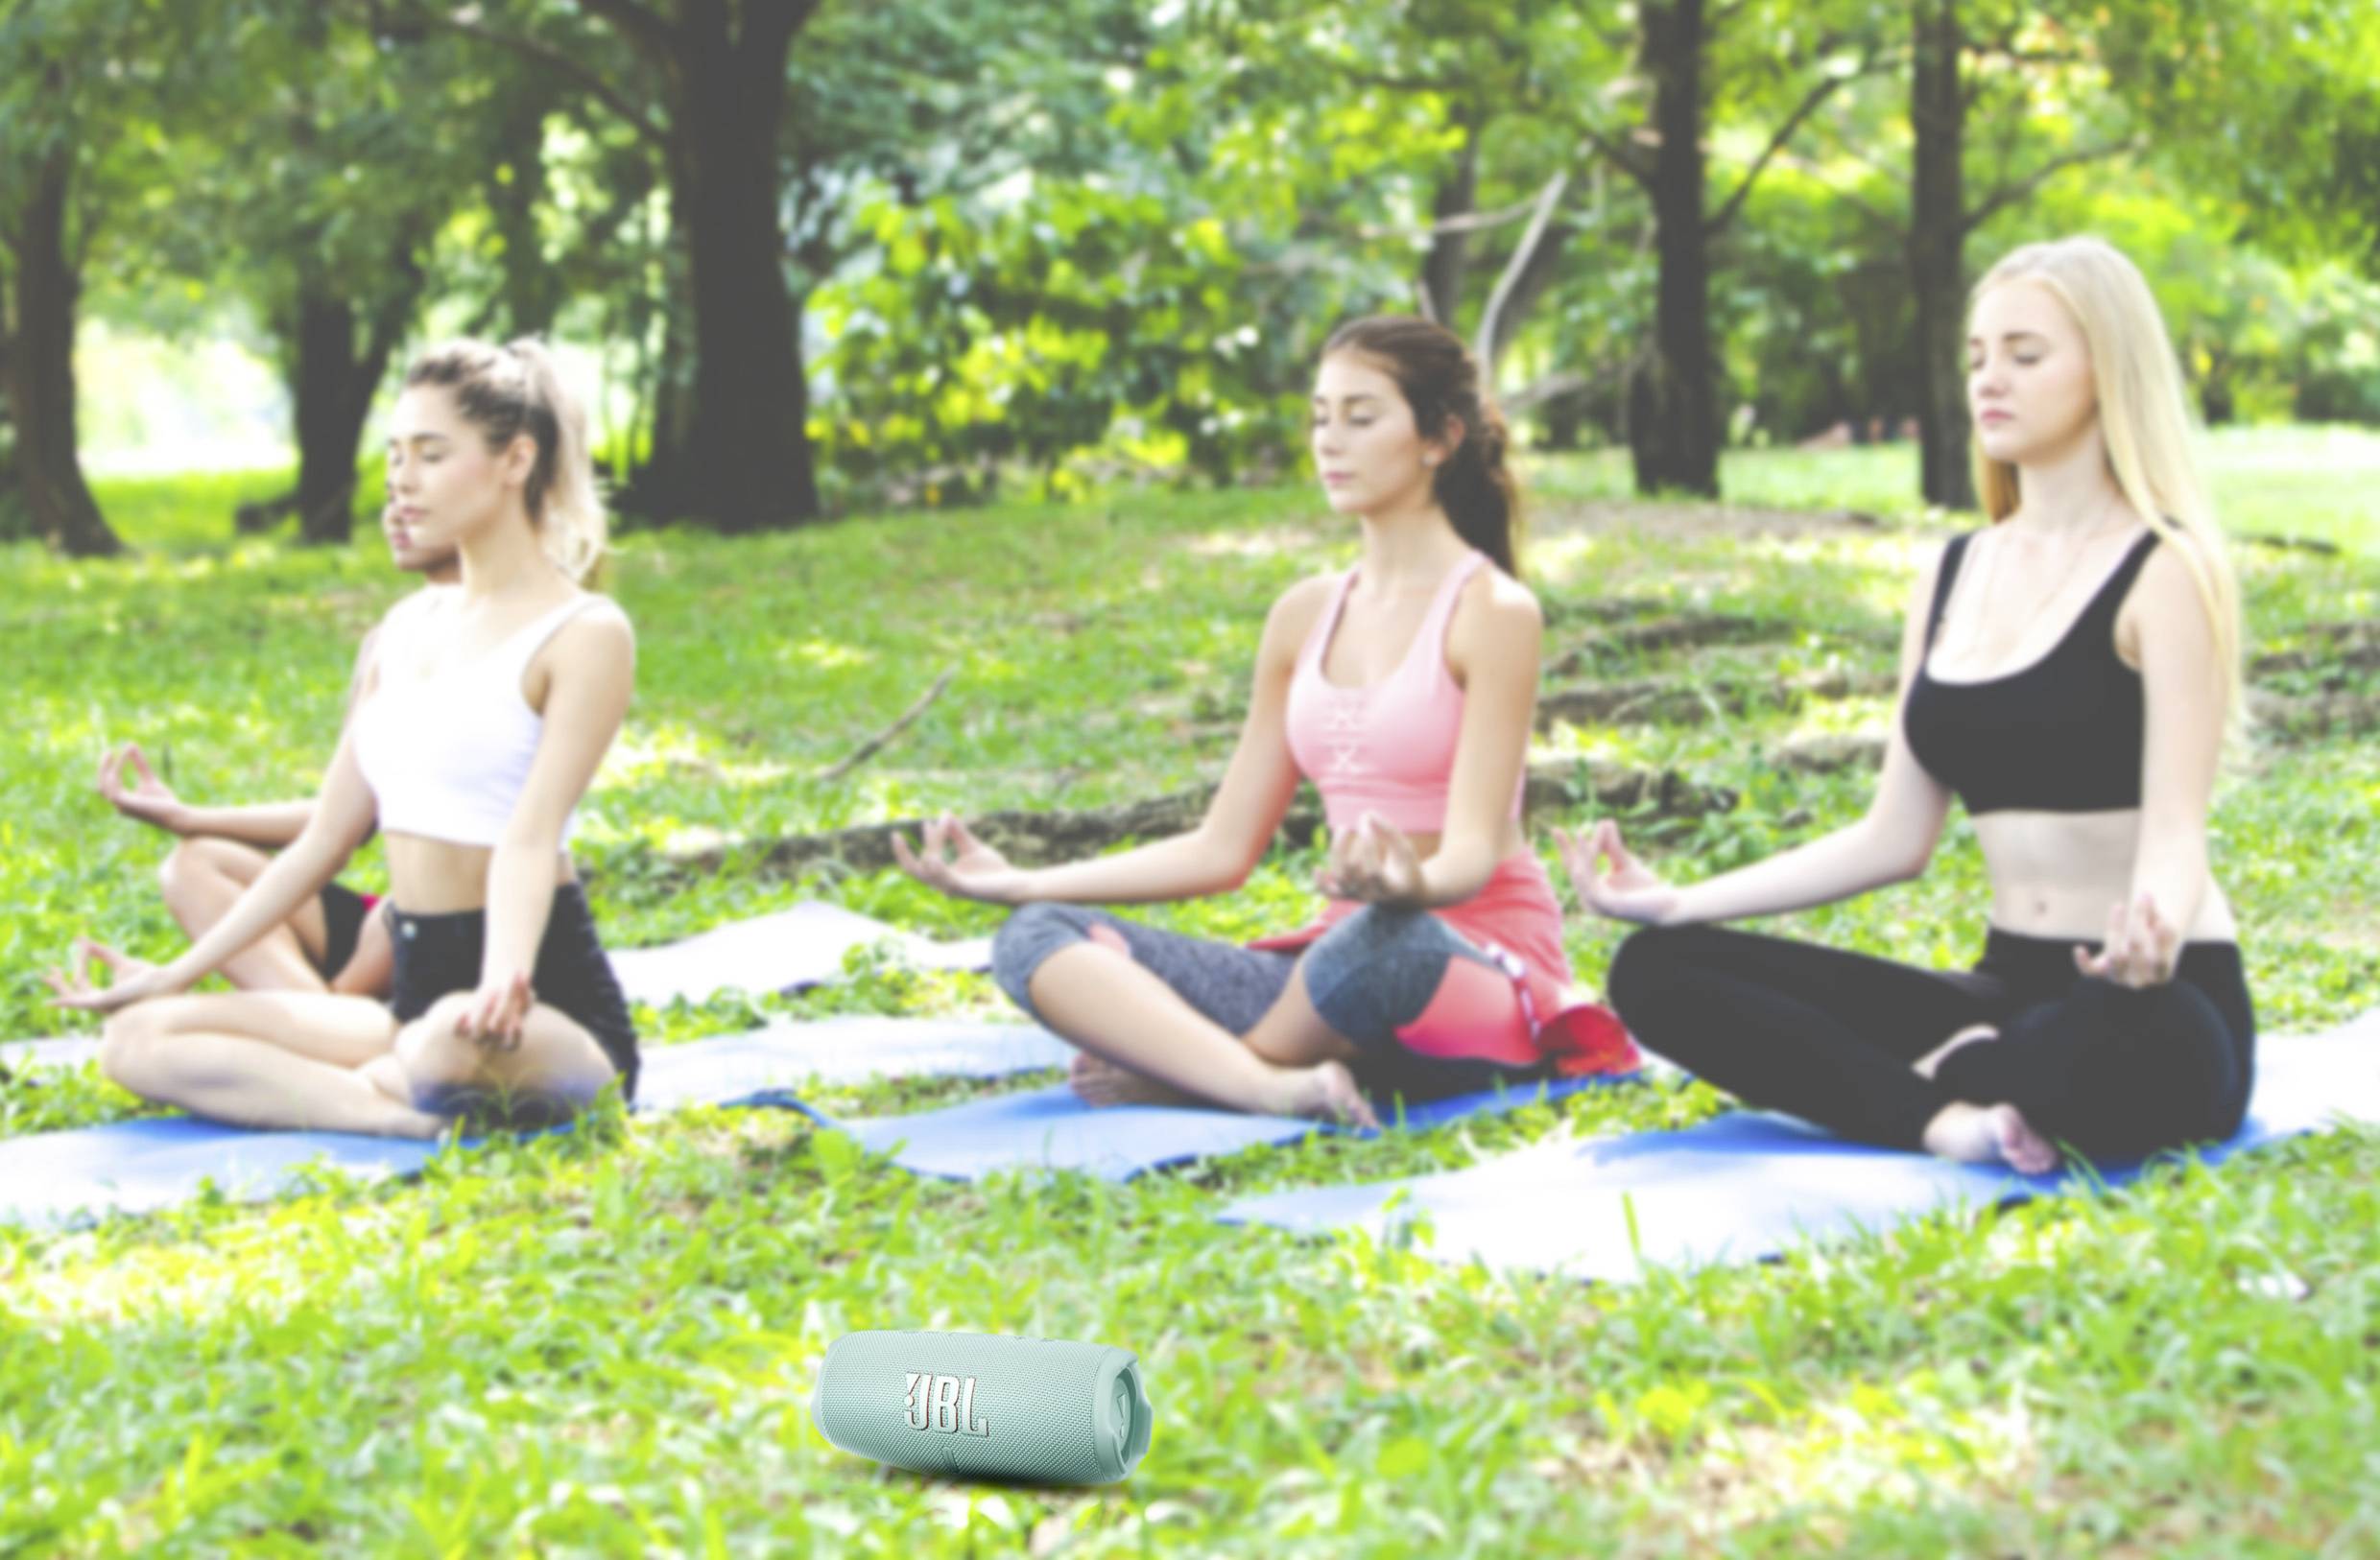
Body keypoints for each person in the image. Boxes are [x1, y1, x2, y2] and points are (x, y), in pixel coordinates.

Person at [1566, 235, 2253, 1174]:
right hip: (2007, 987)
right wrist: (1678, 900)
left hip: (2146, 992)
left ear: (2104, 368)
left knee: (2124, 1047)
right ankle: (1947, 1118)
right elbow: (1892, 839)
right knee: (1656, 971)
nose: (1988, 381)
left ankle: (1946, 1073)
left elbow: (2177, 829)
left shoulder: (2164, 568)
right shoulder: (1950, 574)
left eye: (2023, 354)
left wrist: (2151, 931)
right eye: (1975, 358)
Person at [895, 317, 1636, 1125]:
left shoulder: (1494, 611)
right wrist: (1020, 883)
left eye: (1361, 417)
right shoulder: (1302, 615)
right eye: (1320, 417)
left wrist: (1409, 886)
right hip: (1325, 983)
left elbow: (1471, 852)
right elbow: (1222, 848)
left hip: (1464, 974)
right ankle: (1270, 1085)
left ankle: (1190, 1070)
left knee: (1387, 942)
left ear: (1439, 438)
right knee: (1035, 939)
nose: (1330, 441)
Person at [51, 340, 639, 1137]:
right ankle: (395, 1117)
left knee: (442, 1049)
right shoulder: (402, 630)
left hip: (541, 1005)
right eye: (396, 455)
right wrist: (173, 973)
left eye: (431, 455)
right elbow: (323, 841)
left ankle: (400, 1083)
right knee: (137, 1037)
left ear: (515, 460)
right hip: (413, 999)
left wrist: (507, 972)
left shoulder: (585, 633)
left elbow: (530, 840)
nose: (402, 478)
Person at [62, 505, 460, 1001]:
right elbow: (343, 820)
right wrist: (188, 818)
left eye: (428, 462)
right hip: (383, 925)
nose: (398, 508)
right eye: (393, 473)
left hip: (452, 926)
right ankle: (322, 1020)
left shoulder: (524, 640)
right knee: (196, 864)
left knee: (145, 1042)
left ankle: (323, 1025)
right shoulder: (390, 638)